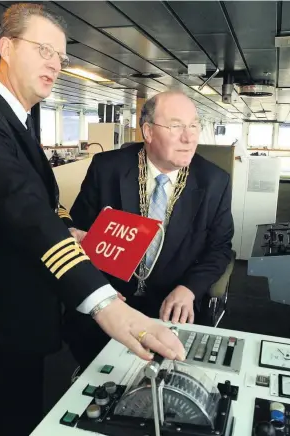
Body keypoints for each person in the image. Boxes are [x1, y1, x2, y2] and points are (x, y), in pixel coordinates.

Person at [0, 5, 184, 436]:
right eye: (43, 50)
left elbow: (43, 204)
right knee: (5, 420)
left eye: (60, 56)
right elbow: (26, 215)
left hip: (25, 311)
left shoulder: (16, 120)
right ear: (6, 47)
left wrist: (72, 229)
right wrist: (104, 302)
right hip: (1, 318)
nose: (54, 63)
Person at [66, 90, 234, 369]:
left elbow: (220, 248)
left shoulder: (214, 181)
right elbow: (80, 231)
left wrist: (189, 290)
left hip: (172, 304)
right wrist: (97, 287)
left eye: (194, 126)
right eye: (176, 126)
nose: (189, 137)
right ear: (148, 131)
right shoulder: (107, 168)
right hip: (112, 298)